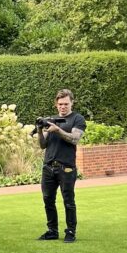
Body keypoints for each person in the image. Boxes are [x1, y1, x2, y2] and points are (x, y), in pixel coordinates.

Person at [36, 88, 86, 242]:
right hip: (48, 166)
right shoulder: (51, 120)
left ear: (72, 103)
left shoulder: (77, 119)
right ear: (56, 105)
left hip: (66, 167)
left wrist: (57, 130)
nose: (62, 107)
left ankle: (70, 232)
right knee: (47, 199)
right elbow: (43, 145)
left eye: (65, 104)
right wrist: (39, 129)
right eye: (60, 104)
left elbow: (75, 139)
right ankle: (52, 231)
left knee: (68, 200)